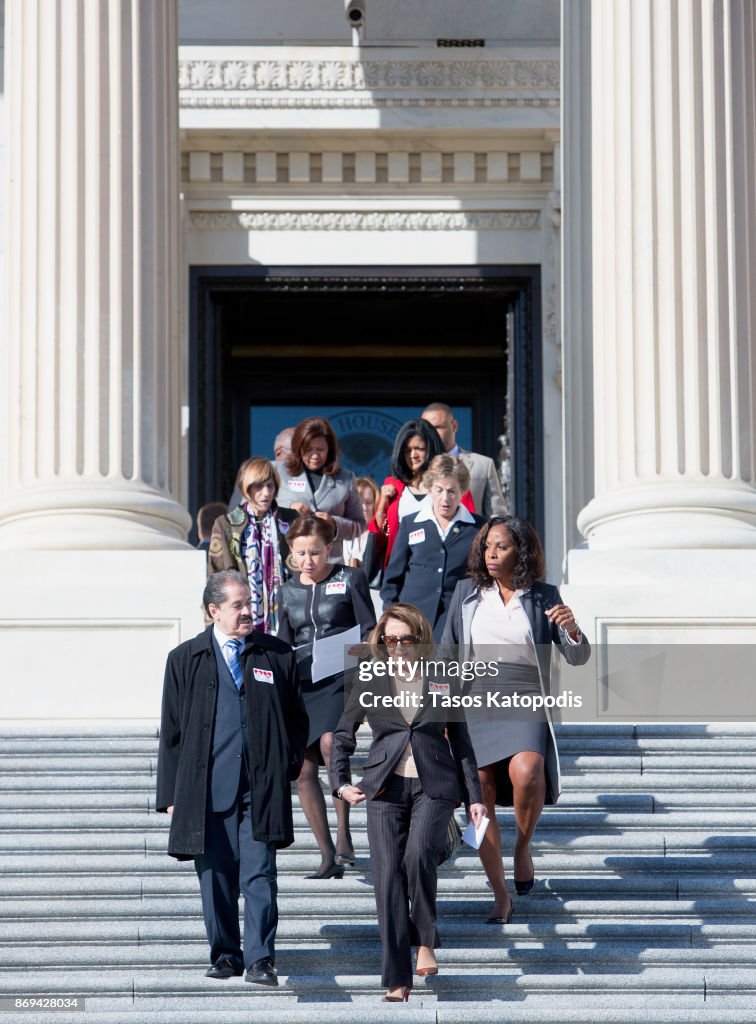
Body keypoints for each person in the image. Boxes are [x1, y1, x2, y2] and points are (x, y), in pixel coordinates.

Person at [156, 571, 308, 986]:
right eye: (237, 605)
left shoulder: (276, 654)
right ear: (213, 611)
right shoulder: (184, 659)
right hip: (205, 790)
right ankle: (226, 954)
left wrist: (286, 765)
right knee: (215, 878)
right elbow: (171, 733)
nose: (247, 612)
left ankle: (261, 958)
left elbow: (298, 720)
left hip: (260, 788)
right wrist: (171, 795)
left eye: (249, 603)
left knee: (260, 874)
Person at [330, 603, 487, 1002]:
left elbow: (463, 742)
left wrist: (475, 798)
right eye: (390, 639)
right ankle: (397, 977)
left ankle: (425, 940)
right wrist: (340, 784)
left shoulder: (442, 677)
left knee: (418, 854)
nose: (398, 647)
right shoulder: (369, 677)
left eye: (406, 639)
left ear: (420, 638)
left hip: (434, 785)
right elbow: (343, 735)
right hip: (383, 788)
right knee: (386, 881)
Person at [441, 516, 590, 924]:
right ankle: (500, 893)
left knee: (528, 771)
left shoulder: (543, 596)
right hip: (474, 699)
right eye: (487, 545)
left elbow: (577, 657)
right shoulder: (466, 592)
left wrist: (573, 630)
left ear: (520, 552)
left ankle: (522, 847)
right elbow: (446, 653)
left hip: (525, 694)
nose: (491, 553)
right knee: (481, 793)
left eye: (501, 546)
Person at [277, 515, 376, 878]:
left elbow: (370, 628)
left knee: (333, 742)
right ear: (291, 551)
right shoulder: (286, 591)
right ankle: (326, 856)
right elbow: (283, 642)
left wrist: (358, 652)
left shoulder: (351, 579)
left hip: (342, 676)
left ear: (329, 548)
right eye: (301, 553)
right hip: (304, 682)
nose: (309, 560)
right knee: (302, 767)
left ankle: (345, 833)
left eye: (315, 552)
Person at [380, 455, 484, 640]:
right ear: (429, 489)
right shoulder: (411, 523)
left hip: (456, 621)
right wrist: (391, 616)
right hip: (412, 621)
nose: (445, 498)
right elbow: (392, 578)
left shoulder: (478, 528)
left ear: (462, 492)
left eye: (452, 491)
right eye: (439, 490)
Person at [366, 418, 475, 572]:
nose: (413, 454)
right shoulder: (393, 485)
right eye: (407, 450)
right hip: (401, 572)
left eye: (419, 448)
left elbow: (470, 531)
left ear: (431, 448)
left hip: (443, 571)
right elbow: (380, 537)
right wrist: (381, 506)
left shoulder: (452, 485)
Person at [208, 457, 299, 634]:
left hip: (288, 618)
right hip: (242, 619)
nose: (265, 493)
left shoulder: (290, 520)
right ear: (245, 487)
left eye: (270, 486)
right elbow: (217, 578)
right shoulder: (226, 524)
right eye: (258, 486)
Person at [275, 416, 365, 564]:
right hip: (289, 564)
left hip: (330, 565)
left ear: (330, 449)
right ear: (298, 447)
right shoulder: (278, 471)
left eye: (320, 449)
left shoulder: (345, 478)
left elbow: (359, 526)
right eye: (308, 449)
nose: (315, 456)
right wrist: (289, 508)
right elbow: (258, 507)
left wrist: (334, 524)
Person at [422, 401, 507, 517]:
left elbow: (497, 516)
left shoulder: (482, 465)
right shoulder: (416, 466)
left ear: (454, 426)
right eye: (427, 429)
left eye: (438, 427)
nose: (431, 433)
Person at [228, 428, 296, 509]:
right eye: (298, 455)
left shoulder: (311, 479)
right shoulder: (252, 473)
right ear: (279, 453)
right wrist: (290, 506)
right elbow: (236, 512)